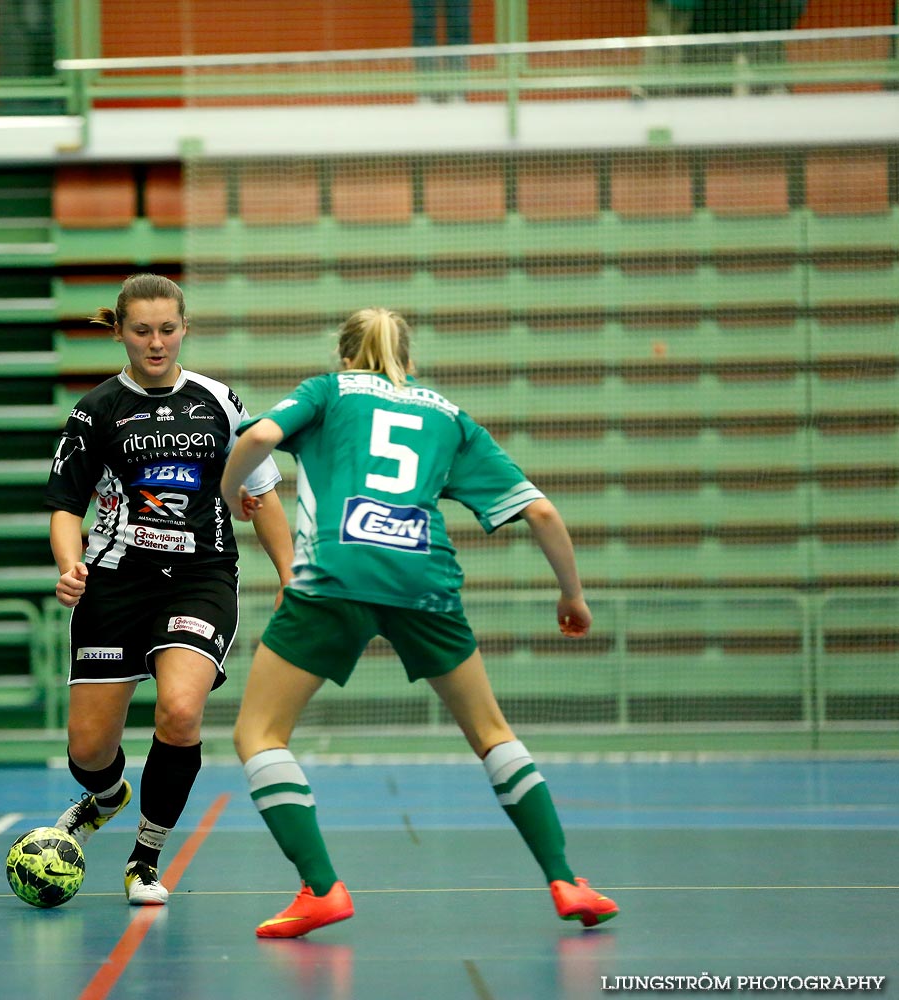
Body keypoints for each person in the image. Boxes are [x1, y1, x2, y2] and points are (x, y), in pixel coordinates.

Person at [220, 308, 619, 939]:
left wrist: (229, 491)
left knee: (259, 734)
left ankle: (321, 888)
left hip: (335, 575)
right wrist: (573, 596)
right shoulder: (449, 416)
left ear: (344, 355)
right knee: (491, 732)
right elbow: (541, 513)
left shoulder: (328, 391)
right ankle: (567, 878)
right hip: (424, 579)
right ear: (409, 359)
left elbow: (260, 437)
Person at [44, 274, 294, 905]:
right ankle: (106, 796)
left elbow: (260, 495)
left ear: (184, 328)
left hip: (200, 576)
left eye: (167, 329)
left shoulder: (219, 402)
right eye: (141, 331)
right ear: (121, 332)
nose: (155, 343)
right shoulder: (95, 411)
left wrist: (293, 577)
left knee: (180, 711)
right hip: (115, 580)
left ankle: (145, 858)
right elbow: (66, 506)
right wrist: (71, 566)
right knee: (89, 746)